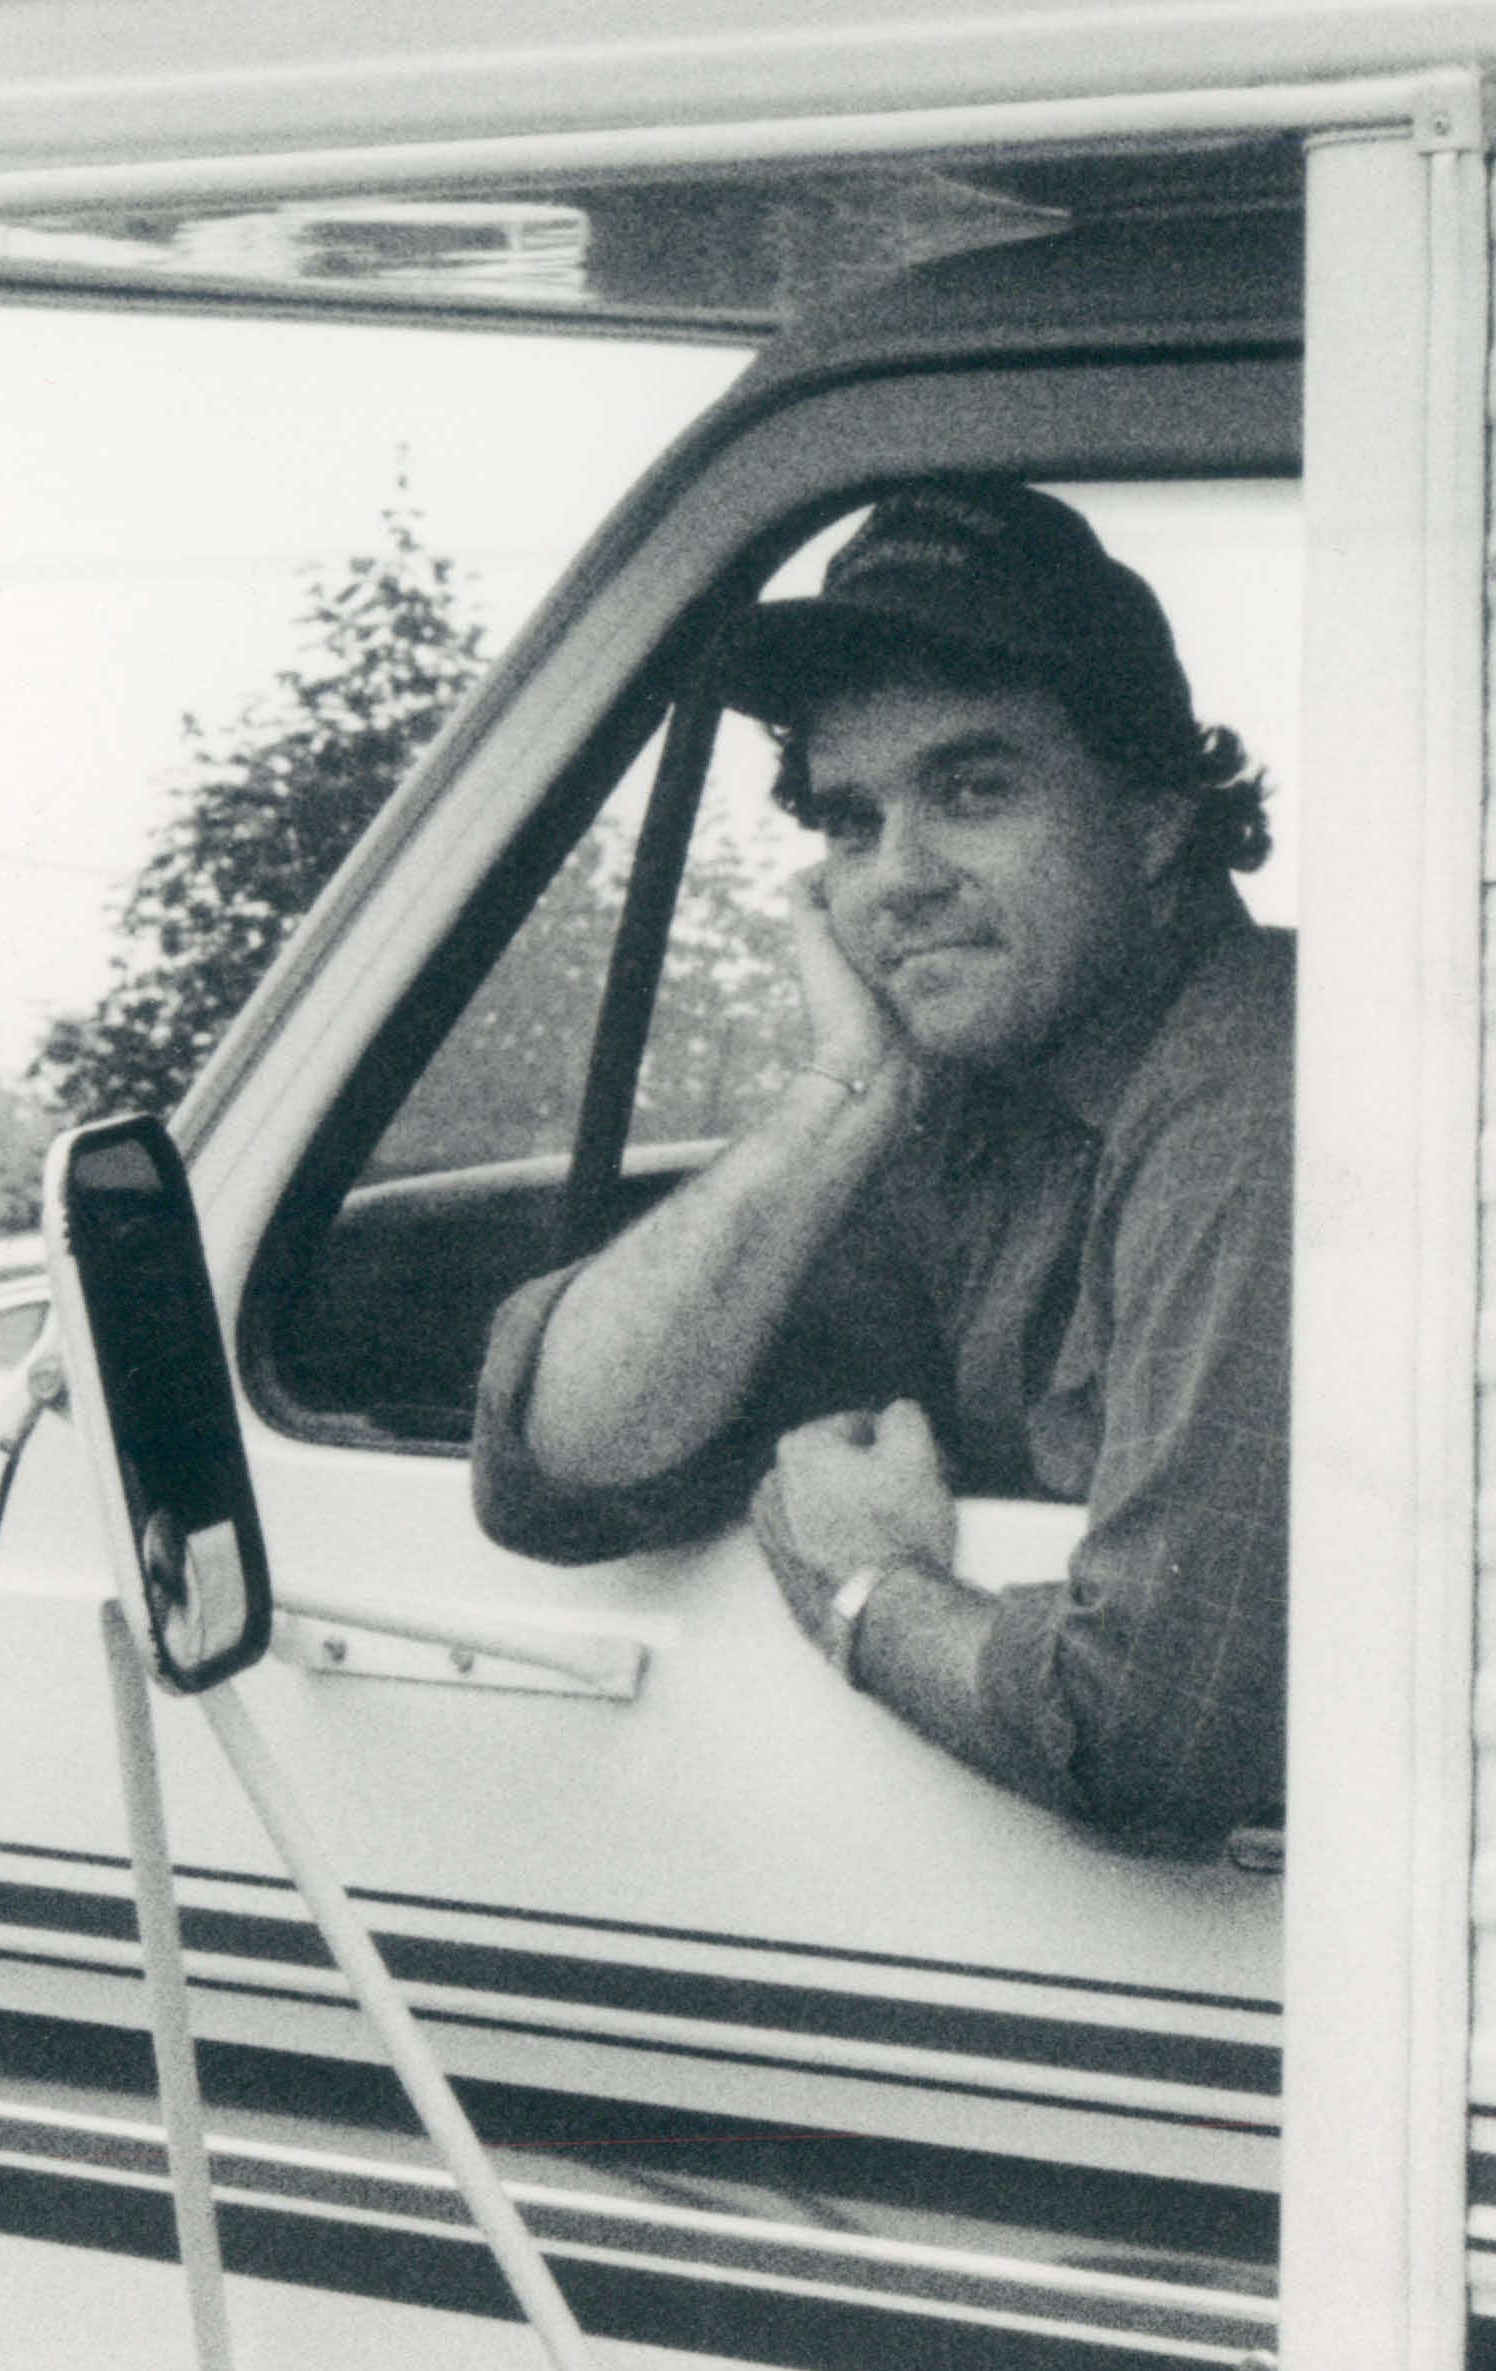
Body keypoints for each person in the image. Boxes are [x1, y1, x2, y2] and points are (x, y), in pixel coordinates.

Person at [469, 478, 1292, 1860]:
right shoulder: (983, 1114)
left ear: (1157, 819)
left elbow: (1154, 1737)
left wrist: (867, 1587)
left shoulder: (1254, 1093)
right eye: (851, 822)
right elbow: (568, 1457)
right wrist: (844, 1088)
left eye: (973, 790)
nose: (897, 877)